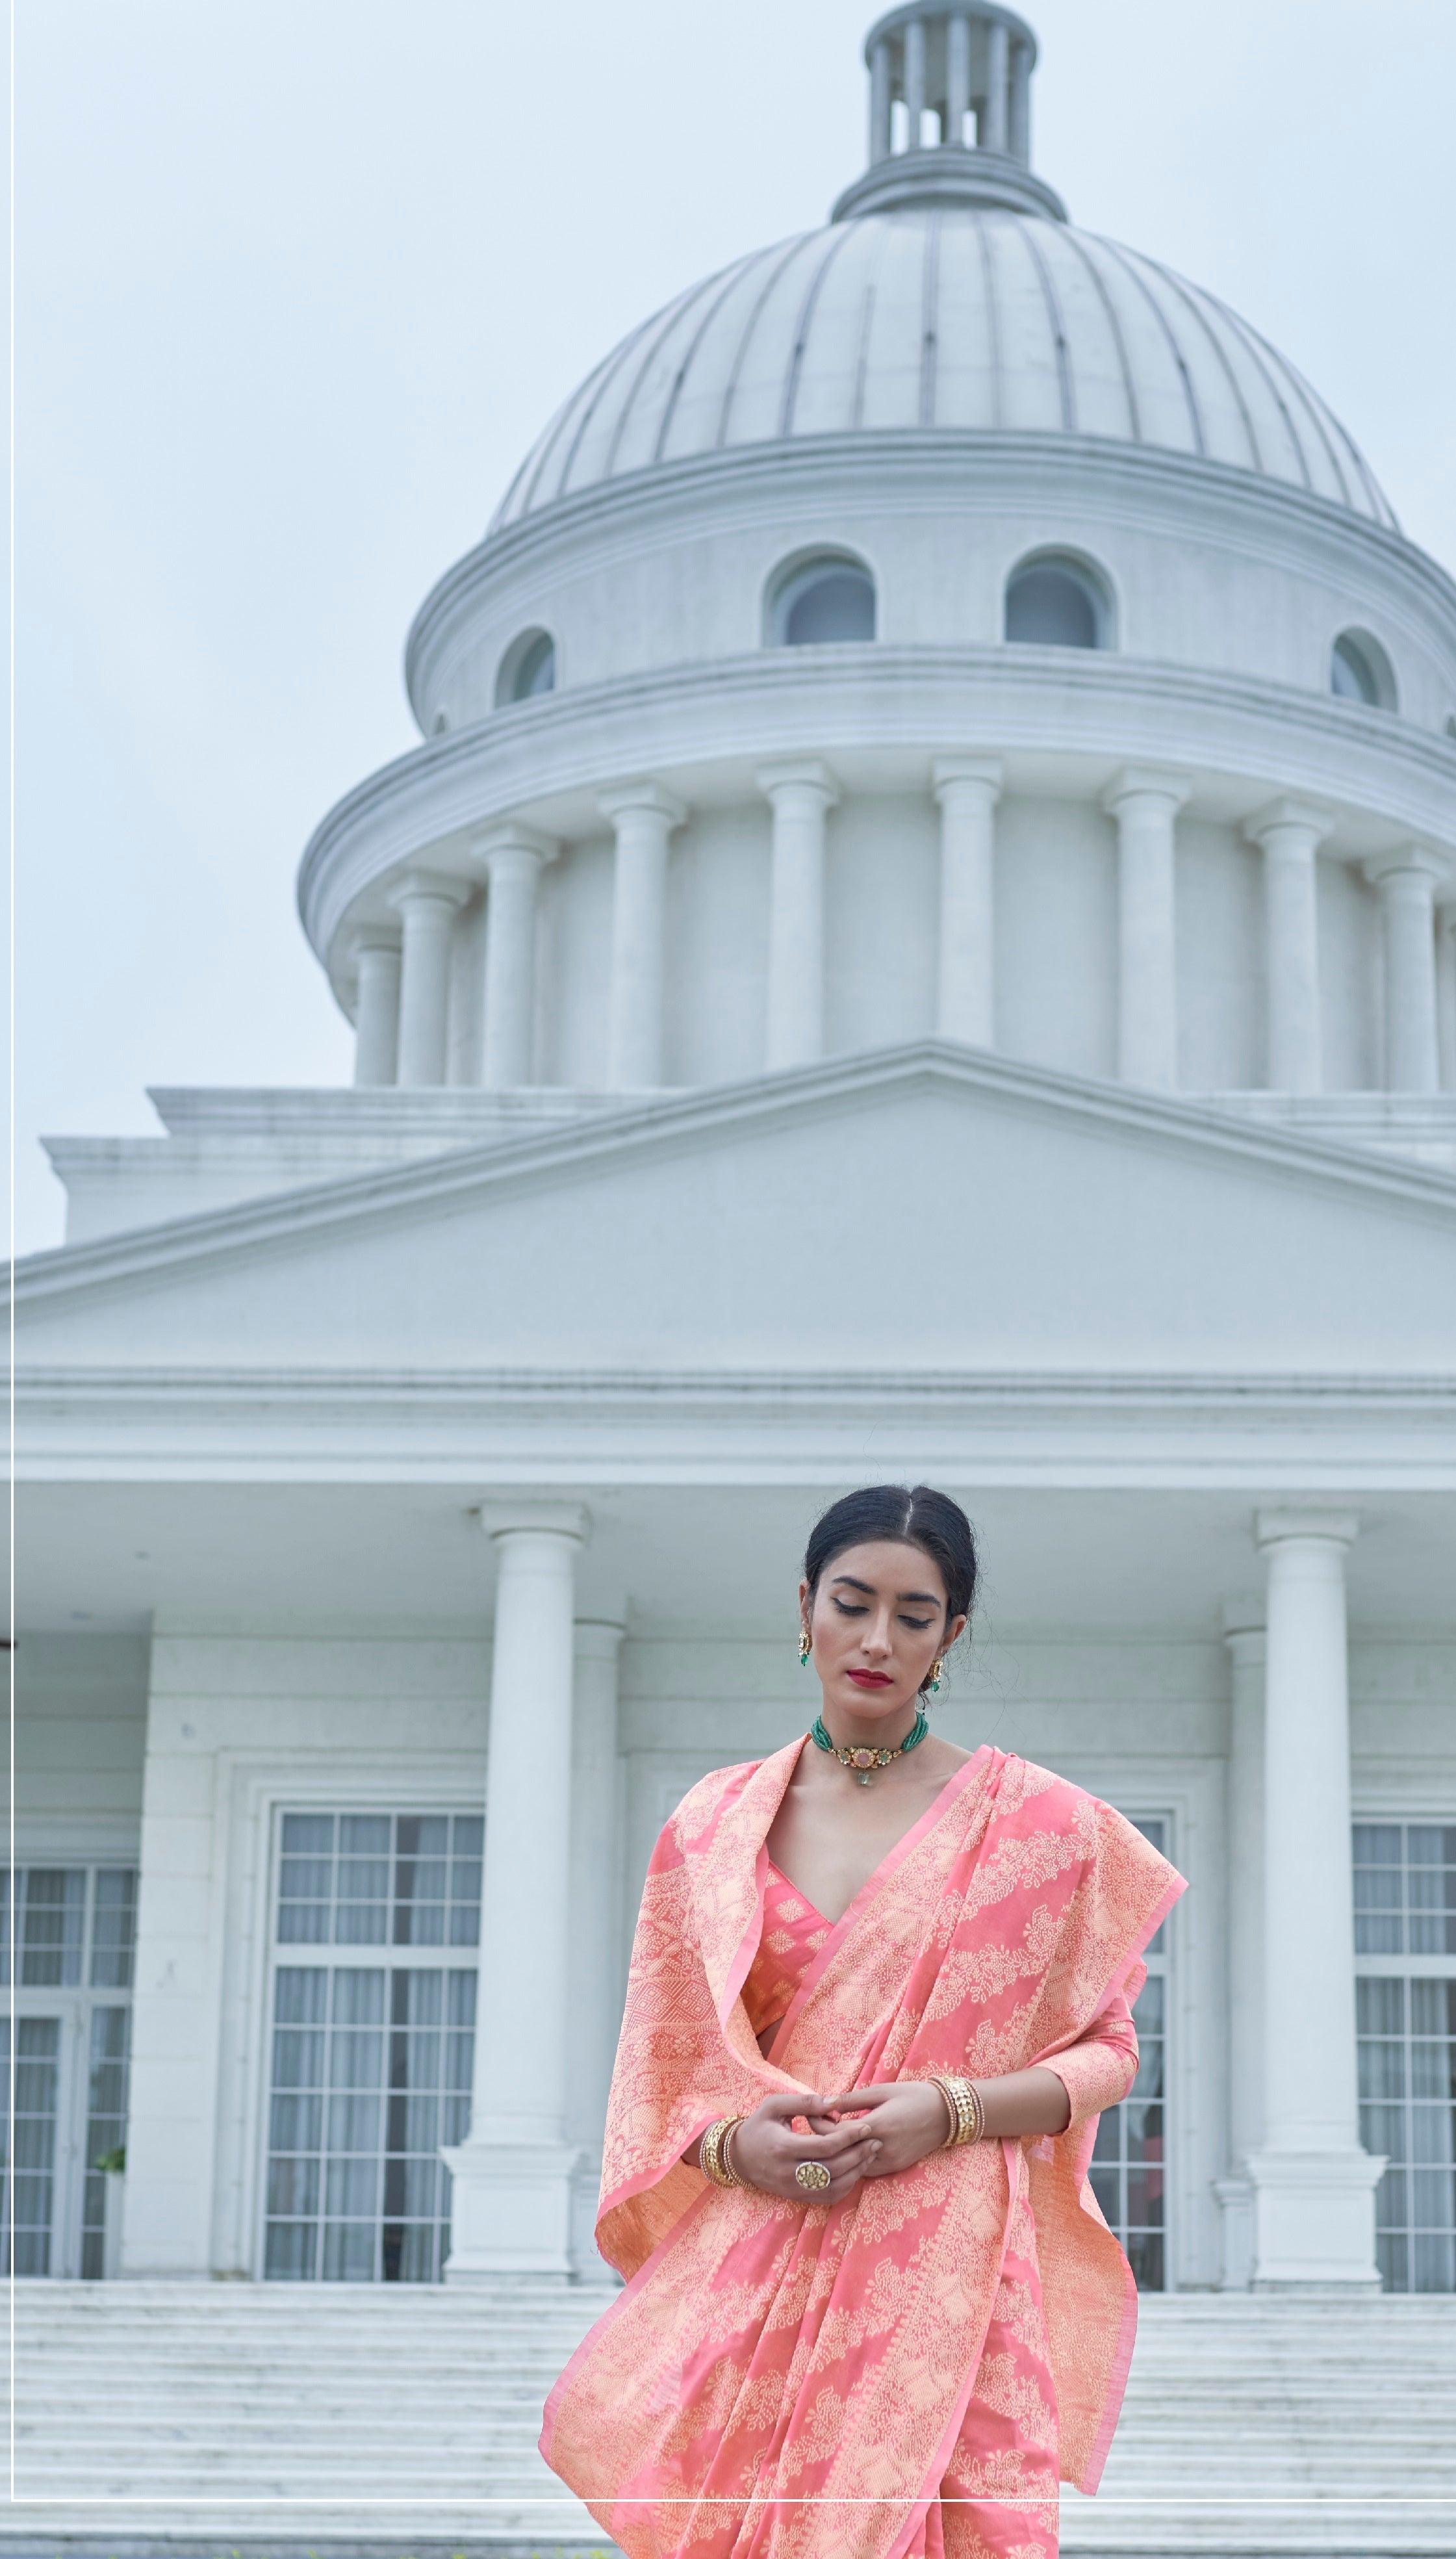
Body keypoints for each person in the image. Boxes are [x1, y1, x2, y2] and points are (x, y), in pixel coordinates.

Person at [542, 1484, 1184, 2559]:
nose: (877, 1638)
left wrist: (952, 2109)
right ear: (804, 1607)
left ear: (951, 1635)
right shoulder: (712, 1825)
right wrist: (735, 2149)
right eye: (851, 1601)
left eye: (914, 1614)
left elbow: (1111, 2053)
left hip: (956, 2286)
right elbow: (658, 2081)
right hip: (761, 2276)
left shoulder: (1043, 1826)